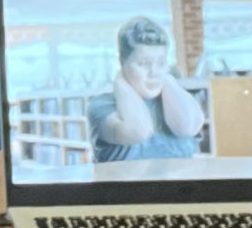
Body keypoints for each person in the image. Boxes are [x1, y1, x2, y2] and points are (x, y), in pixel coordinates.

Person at [87, 18, 206, 160]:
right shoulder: (101, 106)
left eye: (161, 62)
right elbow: (137, 131)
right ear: (122, 63)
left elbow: (188, 127)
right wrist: (120, 81)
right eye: (143, 64)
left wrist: (167, 79)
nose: (153, 72)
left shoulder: (176, 99)